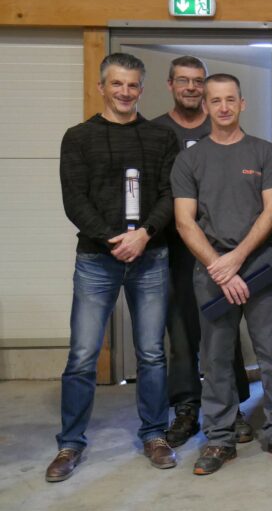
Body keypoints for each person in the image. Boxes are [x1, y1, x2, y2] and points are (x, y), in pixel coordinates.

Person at [48, 52, 180, 482]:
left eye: (133, 85)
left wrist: (143, 234)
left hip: (151, 256)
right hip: (96, 260)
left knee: (153, 354)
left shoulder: (161, 137)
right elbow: (75, 200)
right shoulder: (78, 137)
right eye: (117, 84)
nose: (125, 92)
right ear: (101, 87)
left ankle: (155, 435)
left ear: (143, 89)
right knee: (83, 355)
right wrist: (113, 239)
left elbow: (168, 194)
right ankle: (70, 444)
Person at [172, 73, 272, 475]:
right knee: (214, 357)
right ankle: (219, 438)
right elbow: (184, 221)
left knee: (271, 353)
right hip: (211, 269)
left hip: (260, 267)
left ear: (242, 103)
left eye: (231, 99)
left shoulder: (263, 153)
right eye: (216, 101)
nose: (224, 107)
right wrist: (219, 265)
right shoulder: (190, 158)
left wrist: (238, 259)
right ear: (207, 106)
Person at [153, 56, 253, 448]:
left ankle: (234, 407)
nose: (192, 88)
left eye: (199, 82)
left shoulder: (231, 135)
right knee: (181, 333)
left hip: (225, 255)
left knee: (223, 334)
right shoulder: (157, 132)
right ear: (171, 85)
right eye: (184, 81)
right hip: (178, 251)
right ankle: (185, 408)